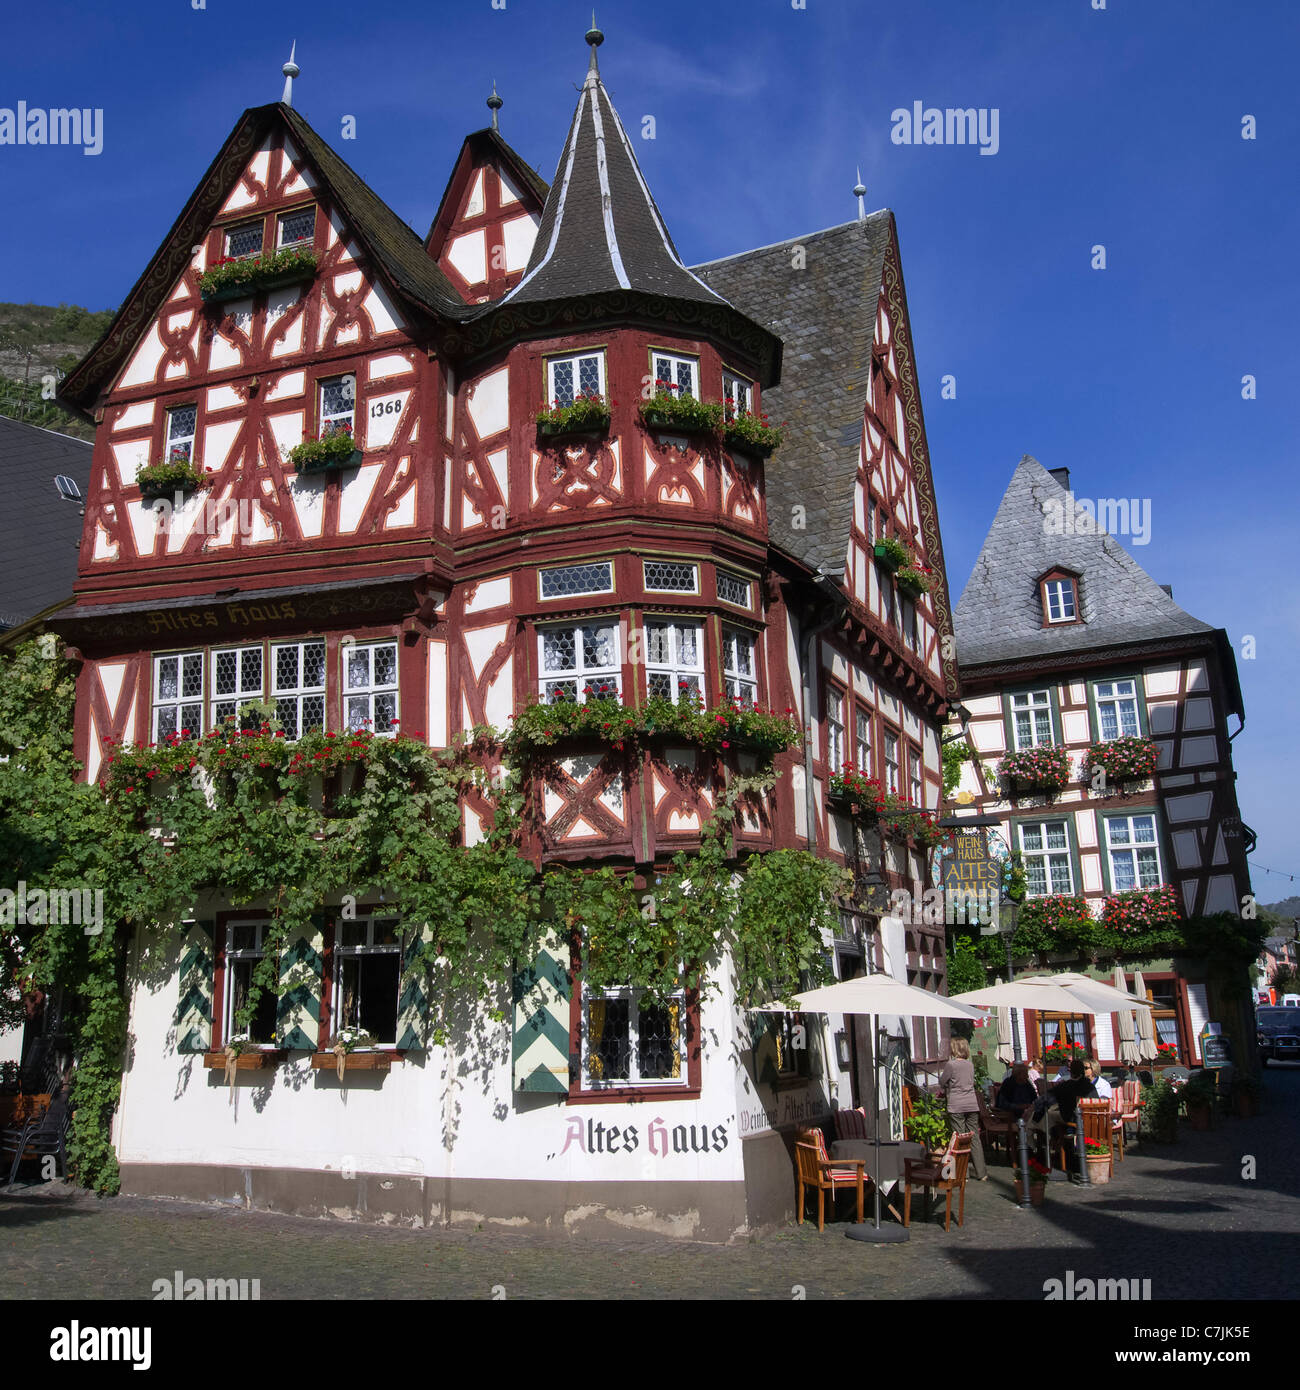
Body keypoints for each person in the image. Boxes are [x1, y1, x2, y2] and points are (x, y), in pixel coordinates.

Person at [938, 1037, 988, 1182]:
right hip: (971, 1104)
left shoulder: (951, 1065)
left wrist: (949, 1085)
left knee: (959, 1139)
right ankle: (981, 1173)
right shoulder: (970, 1065)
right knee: (974, 1138)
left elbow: (942, 1082)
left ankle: (962, 1173)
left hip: (956, 1105)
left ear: (954, 1049)